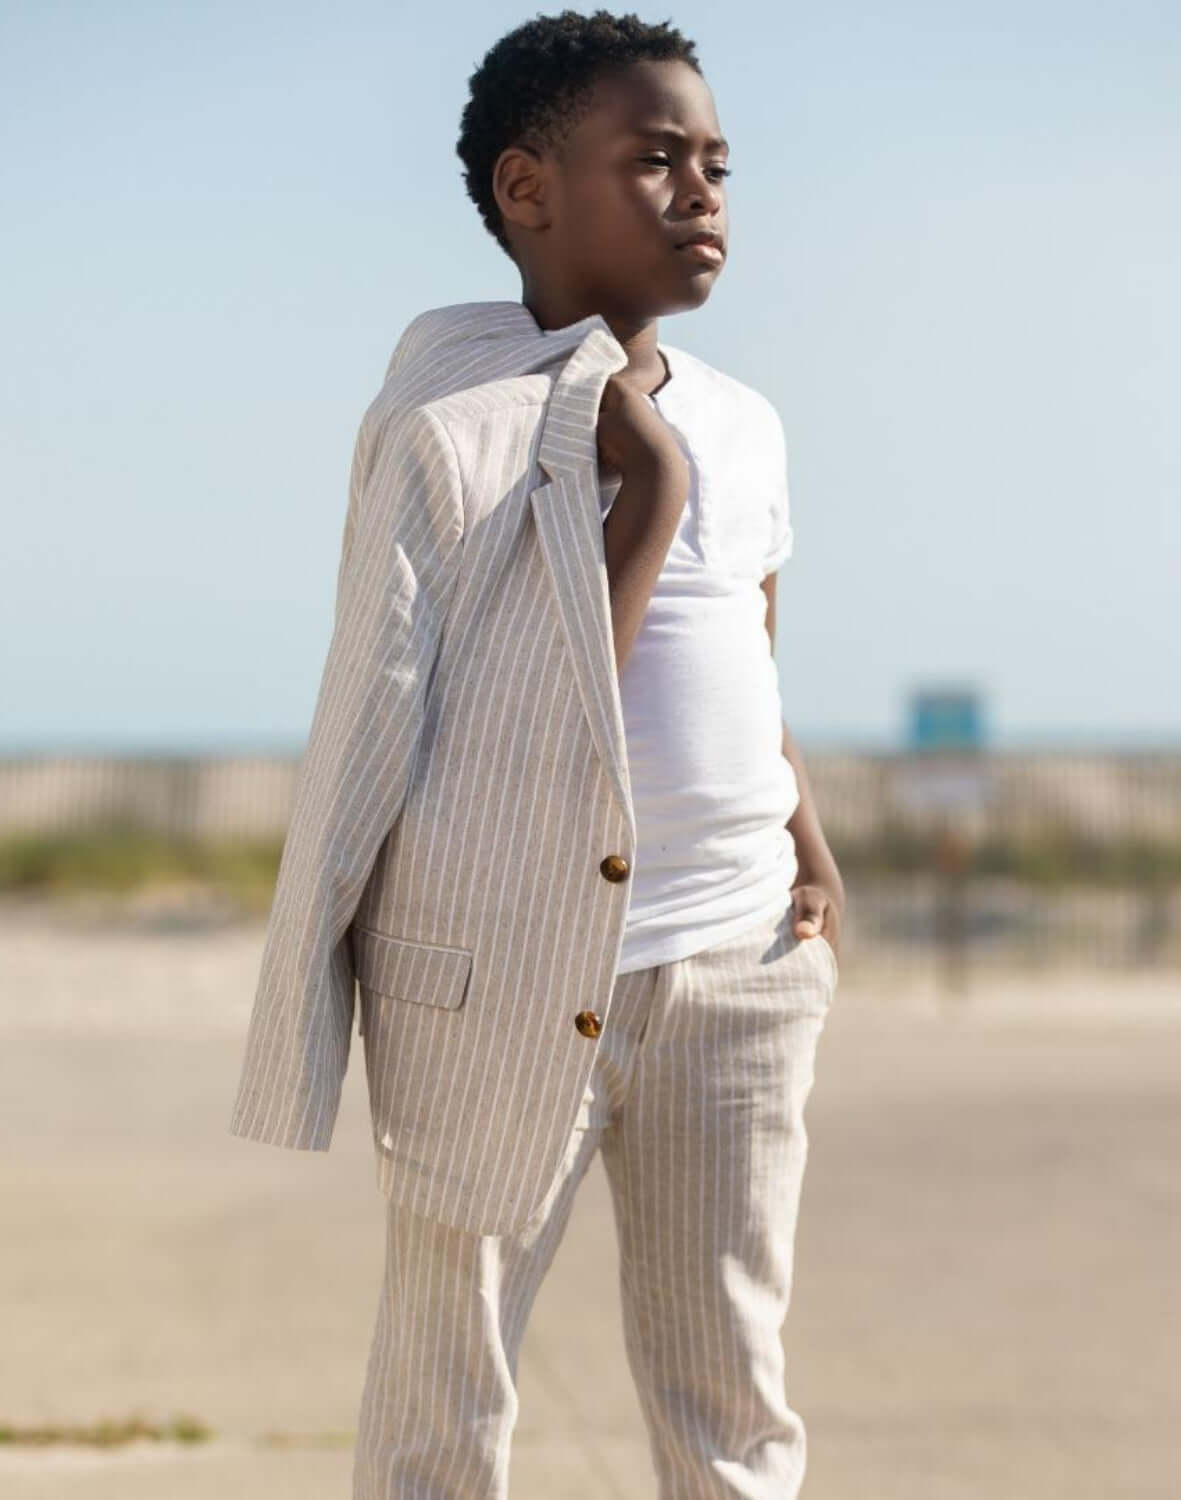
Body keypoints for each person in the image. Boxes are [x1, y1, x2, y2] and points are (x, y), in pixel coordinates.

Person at [228, 9, 846, 1496]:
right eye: (652, 161)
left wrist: (809, 856)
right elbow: (428, 708)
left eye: (716, 163)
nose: (702, 194)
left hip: (737, 963)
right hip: (502, 973)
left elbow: (749, 656)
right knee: (452, 1387)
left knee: (734, 1388)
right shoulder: (454, 421)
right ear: (528, 191)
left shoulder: (750, 426)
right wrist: (644, 490)